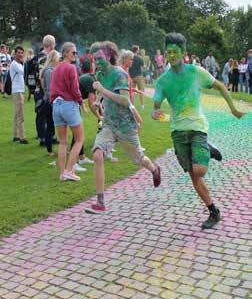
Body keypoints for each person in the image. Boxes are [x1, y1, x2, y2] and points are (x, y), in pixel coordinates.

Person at [152, 33, 244, 229]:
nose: (171, 55)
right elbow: (156, 108)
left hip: (197, 128)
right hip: (178, 132)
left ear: (183, 53)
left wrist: (233, 109)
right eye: (168, 52)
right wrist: (157, 112)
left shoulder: (196, 72)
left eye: (175, 52)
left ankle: (208, 149)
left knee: (199, 169)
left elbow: (219, 85)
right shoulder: (162, 81)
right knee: (195, 175)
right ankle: (213, 211)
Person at [85, 41, 161, 214]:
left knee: (139, 159)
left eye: (99, 59)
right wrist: (98, 100)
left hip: (125, 126)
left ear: (109, 56)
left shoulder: (119, 74)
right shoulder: (100, 73)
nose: (96, 62)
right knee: (97, 154)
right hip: (109, 124)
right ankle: (100, 202)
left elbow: (125, 100)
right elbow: (102, 91)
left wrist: (102, 91)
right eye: (94, 59)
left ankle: (155, 169)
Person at [50, 42, 85, 182]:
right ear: (65, 53)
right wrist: (81, 102)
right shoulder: (71, 68)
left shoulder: (55, 68)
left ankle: (62, 173)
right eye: (73, 52)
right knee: (79, 139)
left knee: (63, 142)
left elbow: (52, 89)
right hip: (68, 104)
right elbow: (75, 88)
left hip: (56, 106)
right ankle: (69, 171)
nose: (75, 54)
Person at [40, 50, 61, 156]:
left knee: (52, 127)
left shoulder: (51, 70)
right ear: (54, 59)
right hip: (50, 103)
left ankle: (53, 149)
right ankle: (49, 151)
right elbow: (49, 90)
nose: (59, 60)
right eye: (58, 58)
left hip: (51, 101)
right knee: (50, 127)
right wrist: (53, 102)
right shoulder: (49, 71)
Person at [10, 46, 29, 144]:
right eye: (19, 52)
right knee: (20, 115)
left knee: (16, 114)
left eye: (22, 53)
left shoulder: (17, 63)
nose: (21, 54)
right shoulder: (15, 64)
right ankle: (22, 137)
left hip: (18, 90)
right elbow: (23, 71)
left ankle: (15, 135)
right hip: (17, 91)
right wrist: (25, 62)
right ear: (15, 53)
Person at [129, 45, 145, 109]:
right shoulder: (139, 58)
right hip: (138, 76)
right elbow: (143, 67)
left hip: (131, 76)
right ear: (137, 50)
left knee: (132, 91)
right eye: (138, 50)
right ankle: (142, 105)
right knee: (141, 90)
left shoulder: (130, 58)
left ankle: (132, 105)